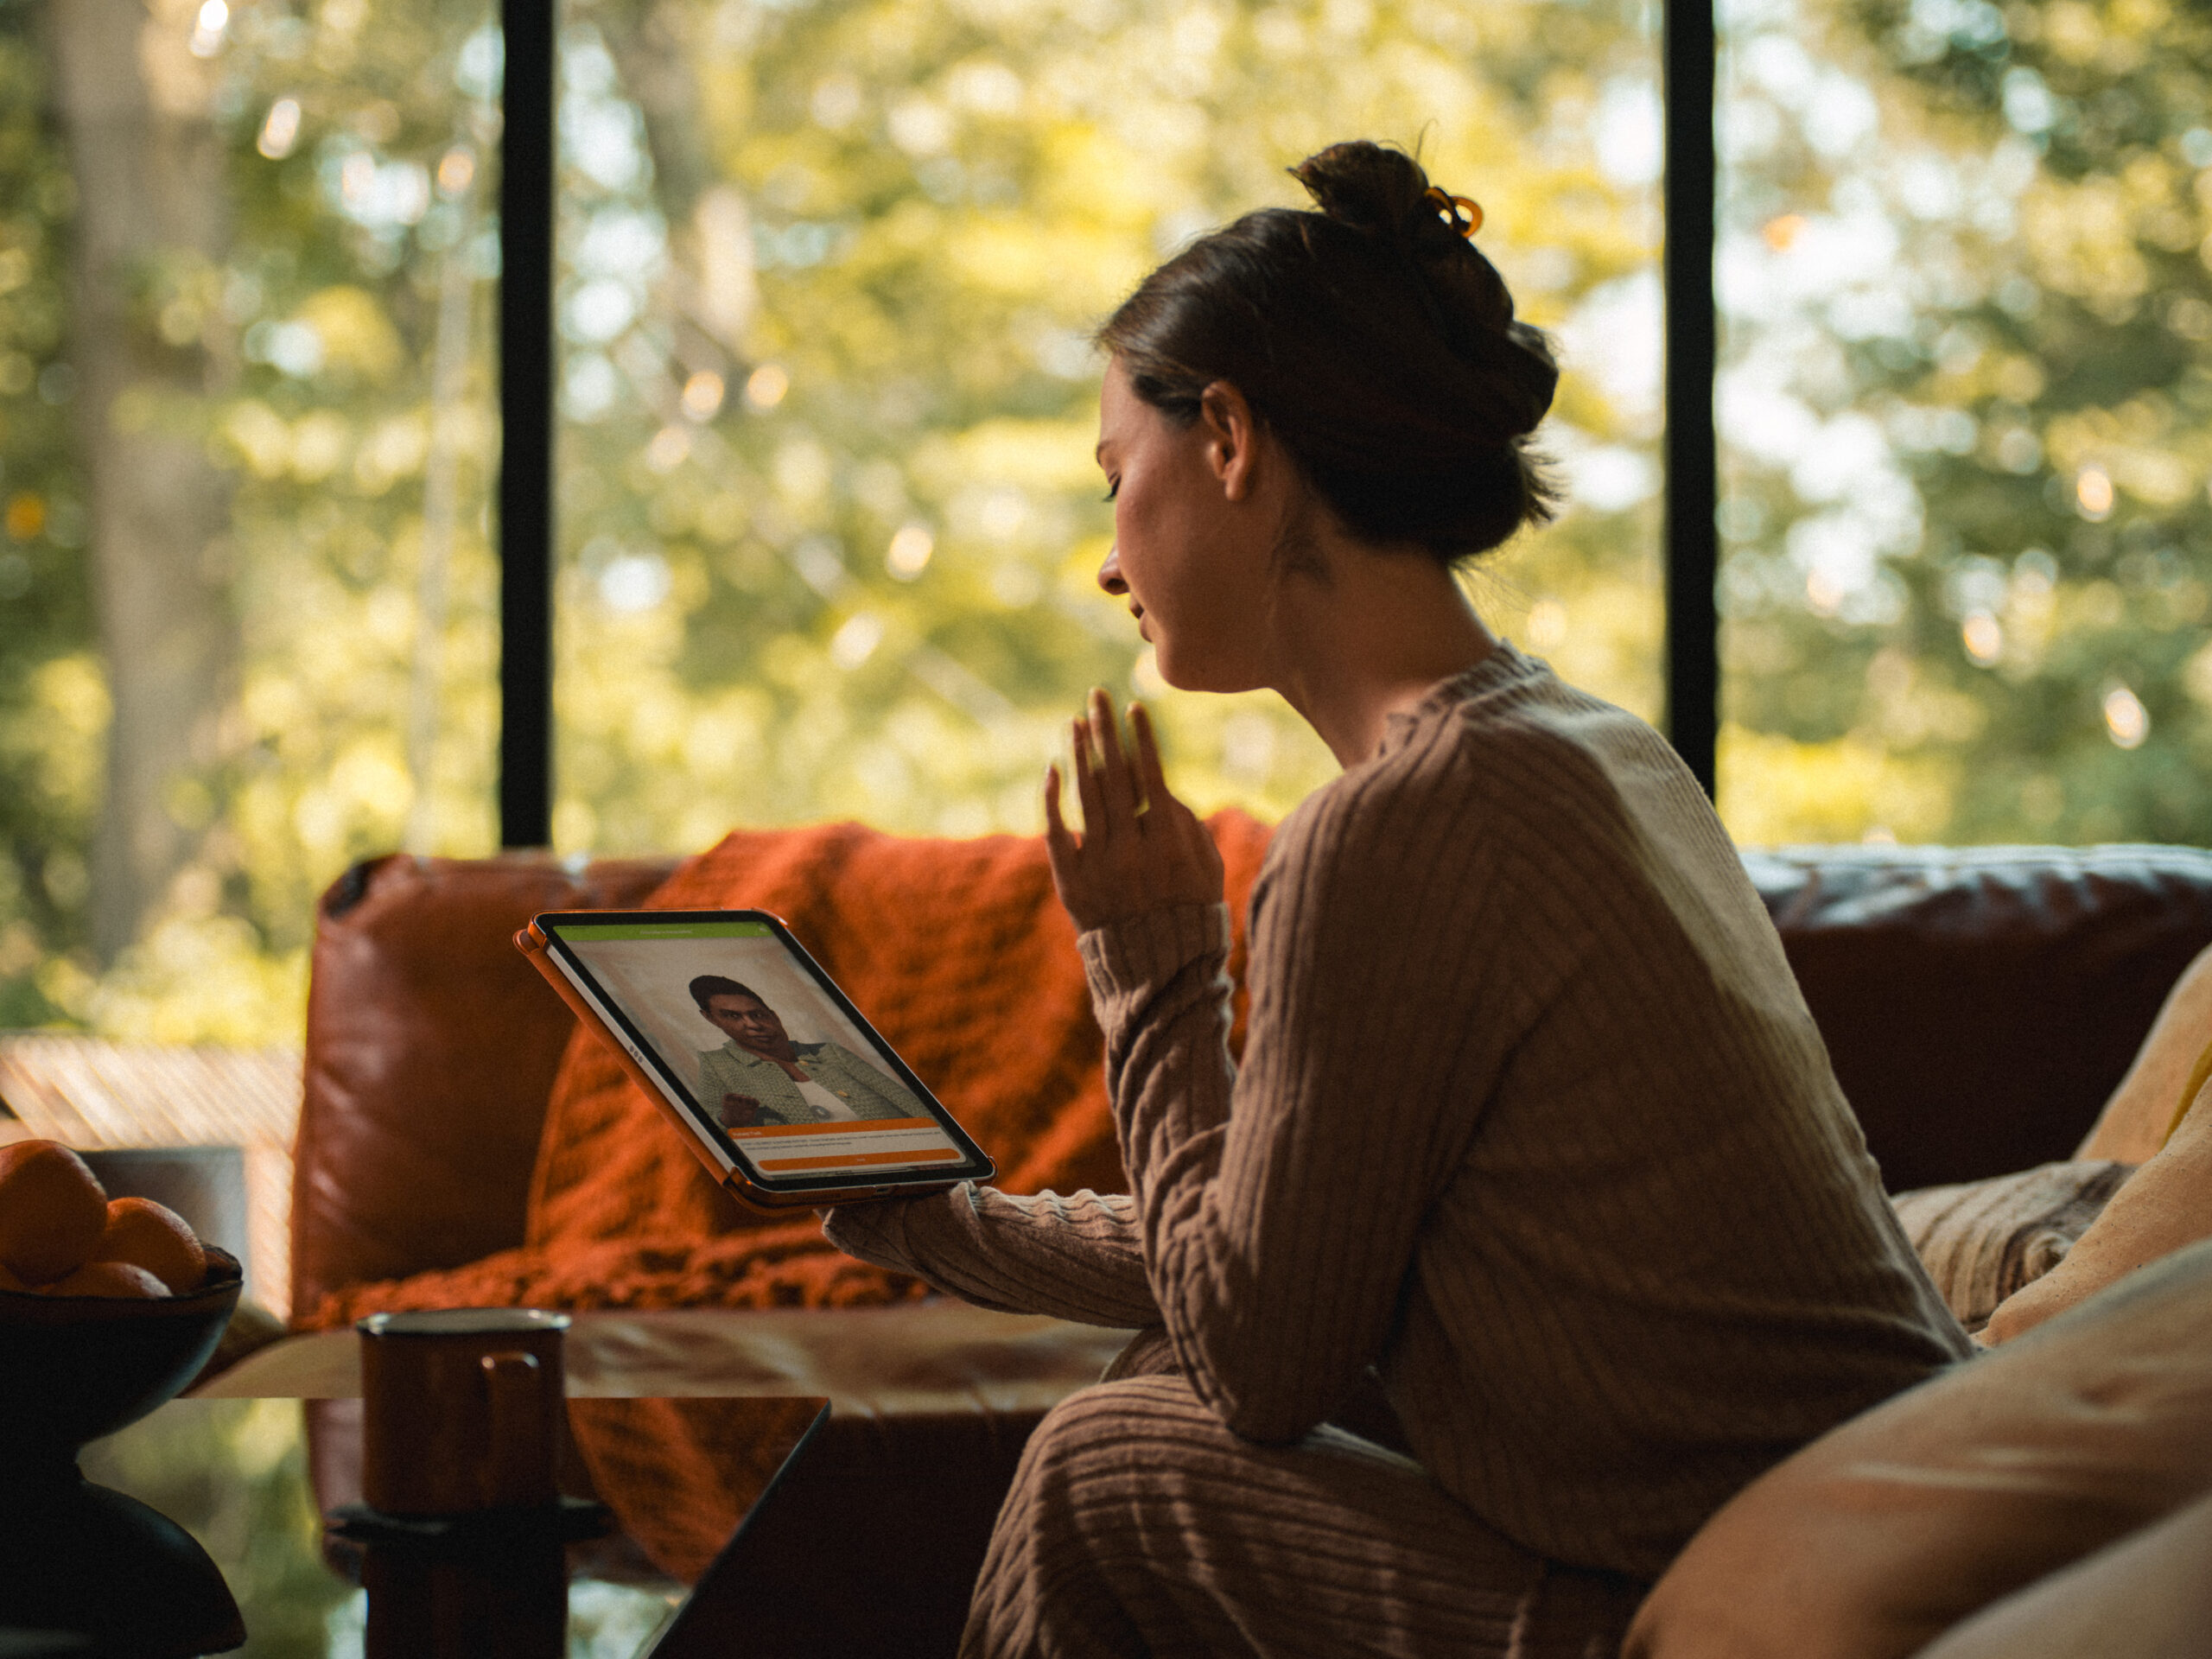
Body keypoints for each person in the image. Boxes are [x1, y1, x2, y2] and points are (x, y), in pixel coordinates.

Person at [822, 140, 1970, 1658]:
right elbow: (1270, 1260)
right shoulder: (1594, 744)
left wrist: (1154, 971)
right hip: (1883, 1531)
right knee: (1144, 1396)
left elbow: (1258, 1361)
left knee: (1112, 1470)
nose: (1107, 561)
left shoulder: (1406, 823)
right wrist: (929, 1220)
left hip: (1751, 1598)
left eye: (1115, 479)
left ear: (1229, 437)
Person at [690, 976, 926, 1128]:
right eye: (733, 1016)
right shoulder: (717, 1065)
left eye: (758, 1014)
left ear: (774, 1015)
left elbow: (910, 1104)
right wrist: (729, 1120)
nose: (752, 1025)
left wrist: (936, 1152)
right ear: (711, 1019)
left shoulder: (830, 1053)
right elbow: (712, 1126)